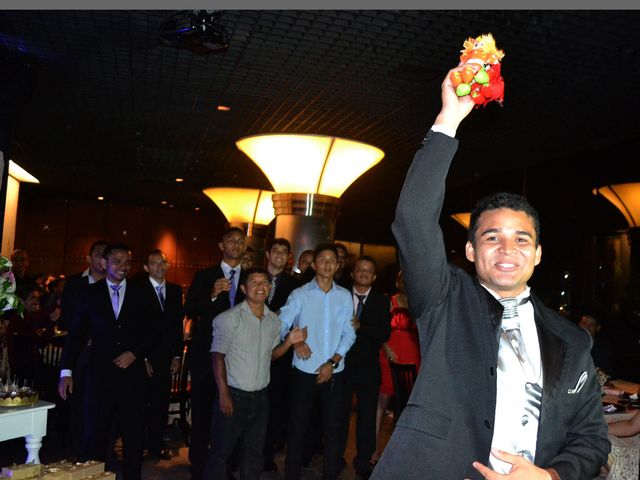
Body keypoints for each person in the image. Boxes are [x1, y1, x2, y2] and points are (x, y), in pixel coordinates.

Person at [370, 66, 610, 479]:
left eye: (521, 240)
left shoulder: (571, 340)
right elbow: (412, 219)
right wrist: (449, 119)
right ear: (470, 249)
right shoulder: (445, 299)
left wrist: (550, 476)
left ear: (537, 255)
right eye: (492, 237)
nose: (506, 249)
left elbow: (592, 439)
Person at [202, 266, 306, 480]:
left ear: (270, 287)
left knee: (254, 453)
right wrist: (223, 394)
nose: (260, 287)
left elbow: (271, 356)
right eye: (254, 283)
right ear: (243, 287)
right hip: (233, 395)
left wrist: (288, 343)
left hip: (260, 398)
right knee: (221, 453)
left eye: (264, 283)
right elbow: (217, 356)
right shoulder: (228, 318)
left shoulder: (273, 321)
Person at [58, 243, 152, 480]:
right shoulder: (91, 294)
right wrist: (65, 373)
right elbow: (76, 336)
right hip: (100, 377)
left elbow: (153, 331)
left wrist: (135, 353)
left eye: (127, 262)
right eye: (117, 262)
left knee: (132, 436)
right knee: (96, 435)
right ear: (105, 264)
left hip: (132, 378)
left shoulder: (141, 292)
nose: (122, 267)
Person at [280, 243, 356, 480]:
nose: (327, 264)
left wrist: (332, 362)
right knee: (297, 428)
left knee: (334, 431)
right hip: (303, 372)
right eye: (322, 259)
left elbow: (349, 332)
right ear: (314, 265)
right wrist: (295, 341)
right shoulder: (300, 294)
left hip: (334, 372)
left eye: (332, 260)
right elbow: (281, 324)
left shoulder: (344, 297)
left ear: (337, 265)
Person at [184, 226, 246, 480]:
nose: (235, 244)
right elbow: (189, 308)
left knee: (231, 418)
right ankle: (198, 466)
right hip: (206, 356)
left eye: (240, 241)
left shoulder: (251, 278)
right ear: (221, 246)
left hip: (239, 358)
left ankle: (225, 466)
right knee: (201, 413)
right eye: (230, 240)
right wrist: (211, 294)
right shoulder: (205, 275)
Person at [339, 256, 390, 479]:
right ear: (353, 273)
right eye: (360, 270)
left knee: (367, 418)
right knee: (338, 415)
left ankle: (363, 462)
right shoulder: (340, 295)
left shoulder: (381, 300)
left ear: (374, 277)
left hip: (369, 369)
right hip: (341, 365)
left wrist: (362, 326)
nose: (363, 274)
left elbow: (384, 333)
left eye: (368, 271)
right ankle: (334, 458)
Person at [58, 239, 108, 461]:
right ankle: (78, 454)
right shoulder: (75, 283)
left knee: (104, 405)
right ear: (89, 257)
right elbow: (68, 318)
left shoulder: (115, 284)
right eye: (98, 253)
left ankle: (101, 454)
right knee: (78, 404)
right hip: (80, 353)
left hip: (106, 355)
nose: (102, 258)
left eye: (106, 254)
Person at [139, 249, 184, 460]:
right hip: (143, 357)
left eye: (162, 263)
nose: (159, 267)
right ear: (147, 267)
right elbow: (134, 326)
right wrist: (143, 357)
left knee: (160, 404)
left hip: (166, 356)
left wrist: (177, 355)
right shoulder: (137, 289)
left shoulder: (175, 290)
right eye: (154, 263)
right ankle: (137, 447)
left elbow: (177, 325)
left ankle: (156, 447)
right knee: (140, 405)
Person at [373, 270, 420, 463]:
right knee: (381, 405)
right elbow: (378, 329)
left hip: (414, 358)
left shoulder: (419, 305)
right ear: (397, 281)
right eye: (403, 279)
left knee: (408, 409)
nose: (407, 284)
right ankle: (373, 450)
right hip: (389, 357)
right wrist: (385, 346)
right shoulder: (387, 301)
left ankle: (402, 455)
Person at [263, 238, 300, 472]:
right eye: (275, 250)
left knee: (273, 408)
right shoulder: (252, 276)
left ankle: (267, 456)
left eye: (283, 252)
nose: (278, 255)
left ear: (288, 257)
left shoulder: (295, 286)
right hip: (250, 351)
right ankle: (237, 455)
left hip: (280, 354)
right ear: (267, 253)